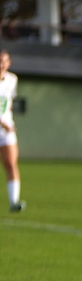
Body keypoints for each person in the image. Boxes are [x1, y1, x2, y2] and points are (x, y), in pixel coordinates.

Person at [0, 50, 25, 213]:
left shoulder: (12, 79)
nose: (1, 64)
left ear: (9, 63)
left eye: (4, 61)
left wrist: (7, 121)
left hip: (6, 129)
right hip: (4, 125)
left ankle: (14, 202)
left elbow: (8, 103)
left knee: (11, 163)